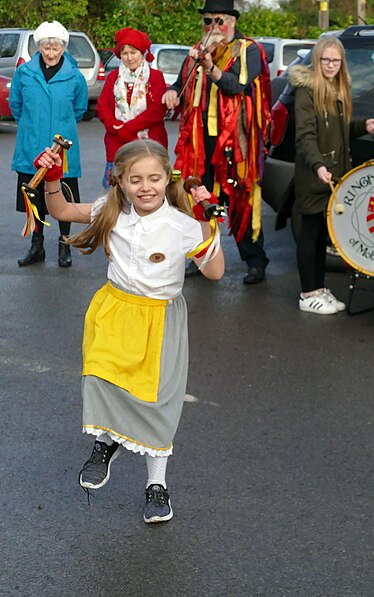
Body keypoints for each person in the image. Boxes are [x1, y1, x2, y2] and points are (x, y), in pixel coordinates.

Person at [39, 139, 225, 524]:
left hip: (160, 319)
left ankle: (156, 486)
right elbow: (58, 209)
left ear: (166, 177)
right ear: (119, 180)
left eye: (154, 178)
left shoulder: (182, 224)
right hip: (115, 309)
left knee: (157, 405)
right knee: (101, 378)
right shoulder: (111, 209)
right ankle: (104, 445)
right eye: (135, 179)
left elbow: (215, 272)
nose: (145, 187)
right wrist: (52, 178)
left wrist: (210, 227)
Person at [162, 0, 271, 285]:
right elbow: (179, 83)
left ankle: (255, 261)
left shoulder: (249, 50)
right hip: (200, 143)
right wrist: (173, 93)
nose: (212, 27)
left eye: (218, 21)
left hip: (236, 142)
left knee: (242, 199)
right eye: (207, 21)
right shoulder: (196, 52)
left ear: (233, 22)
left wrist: (211, 67)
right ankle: (203, 258)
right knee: (201, 199)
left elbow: (236, 84)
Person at [290, 37, 374, 314]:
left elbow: (339, 134)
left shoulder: (337, 89)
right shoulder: (307, 92)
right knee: (310, 233)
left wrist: (363, 126)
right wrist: (318, 166)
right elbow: (305, 136)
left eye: (335, 61)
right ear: (317, 61)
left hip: (332, 175)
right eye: (325, 60)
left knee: (320, 236)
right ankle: (308, 294)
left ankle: (319, 289)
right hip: (314, 175)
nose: (330, 65)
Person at [10, 20, 87, 268]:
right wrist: (33, 128)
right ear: (39, 47)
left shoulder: (75, 77)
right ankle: (37, 246)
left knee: (65, 196)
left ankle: (65, 245)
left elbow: (79, 109)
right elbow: (16, 106)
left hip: (62, 150)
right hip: (31, 146)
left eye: (56, 48)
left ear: (63, 47)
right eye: (46, 48)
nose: (51, 53)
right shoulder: (24, 73)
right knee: (35, 197)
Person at [97, 27, 168, 187]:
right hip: (117, 143)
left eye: (133, 52)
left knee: (146, 189)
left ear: (141, 53)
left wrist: (128, 129)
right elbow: (103, 107)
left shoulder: (155, 77)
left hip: (149, 143)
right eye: (125, 53)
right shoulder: (113, 78)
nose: (129, 58)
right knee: (117, 193)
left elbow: (157, 110)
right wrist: (115, 127)